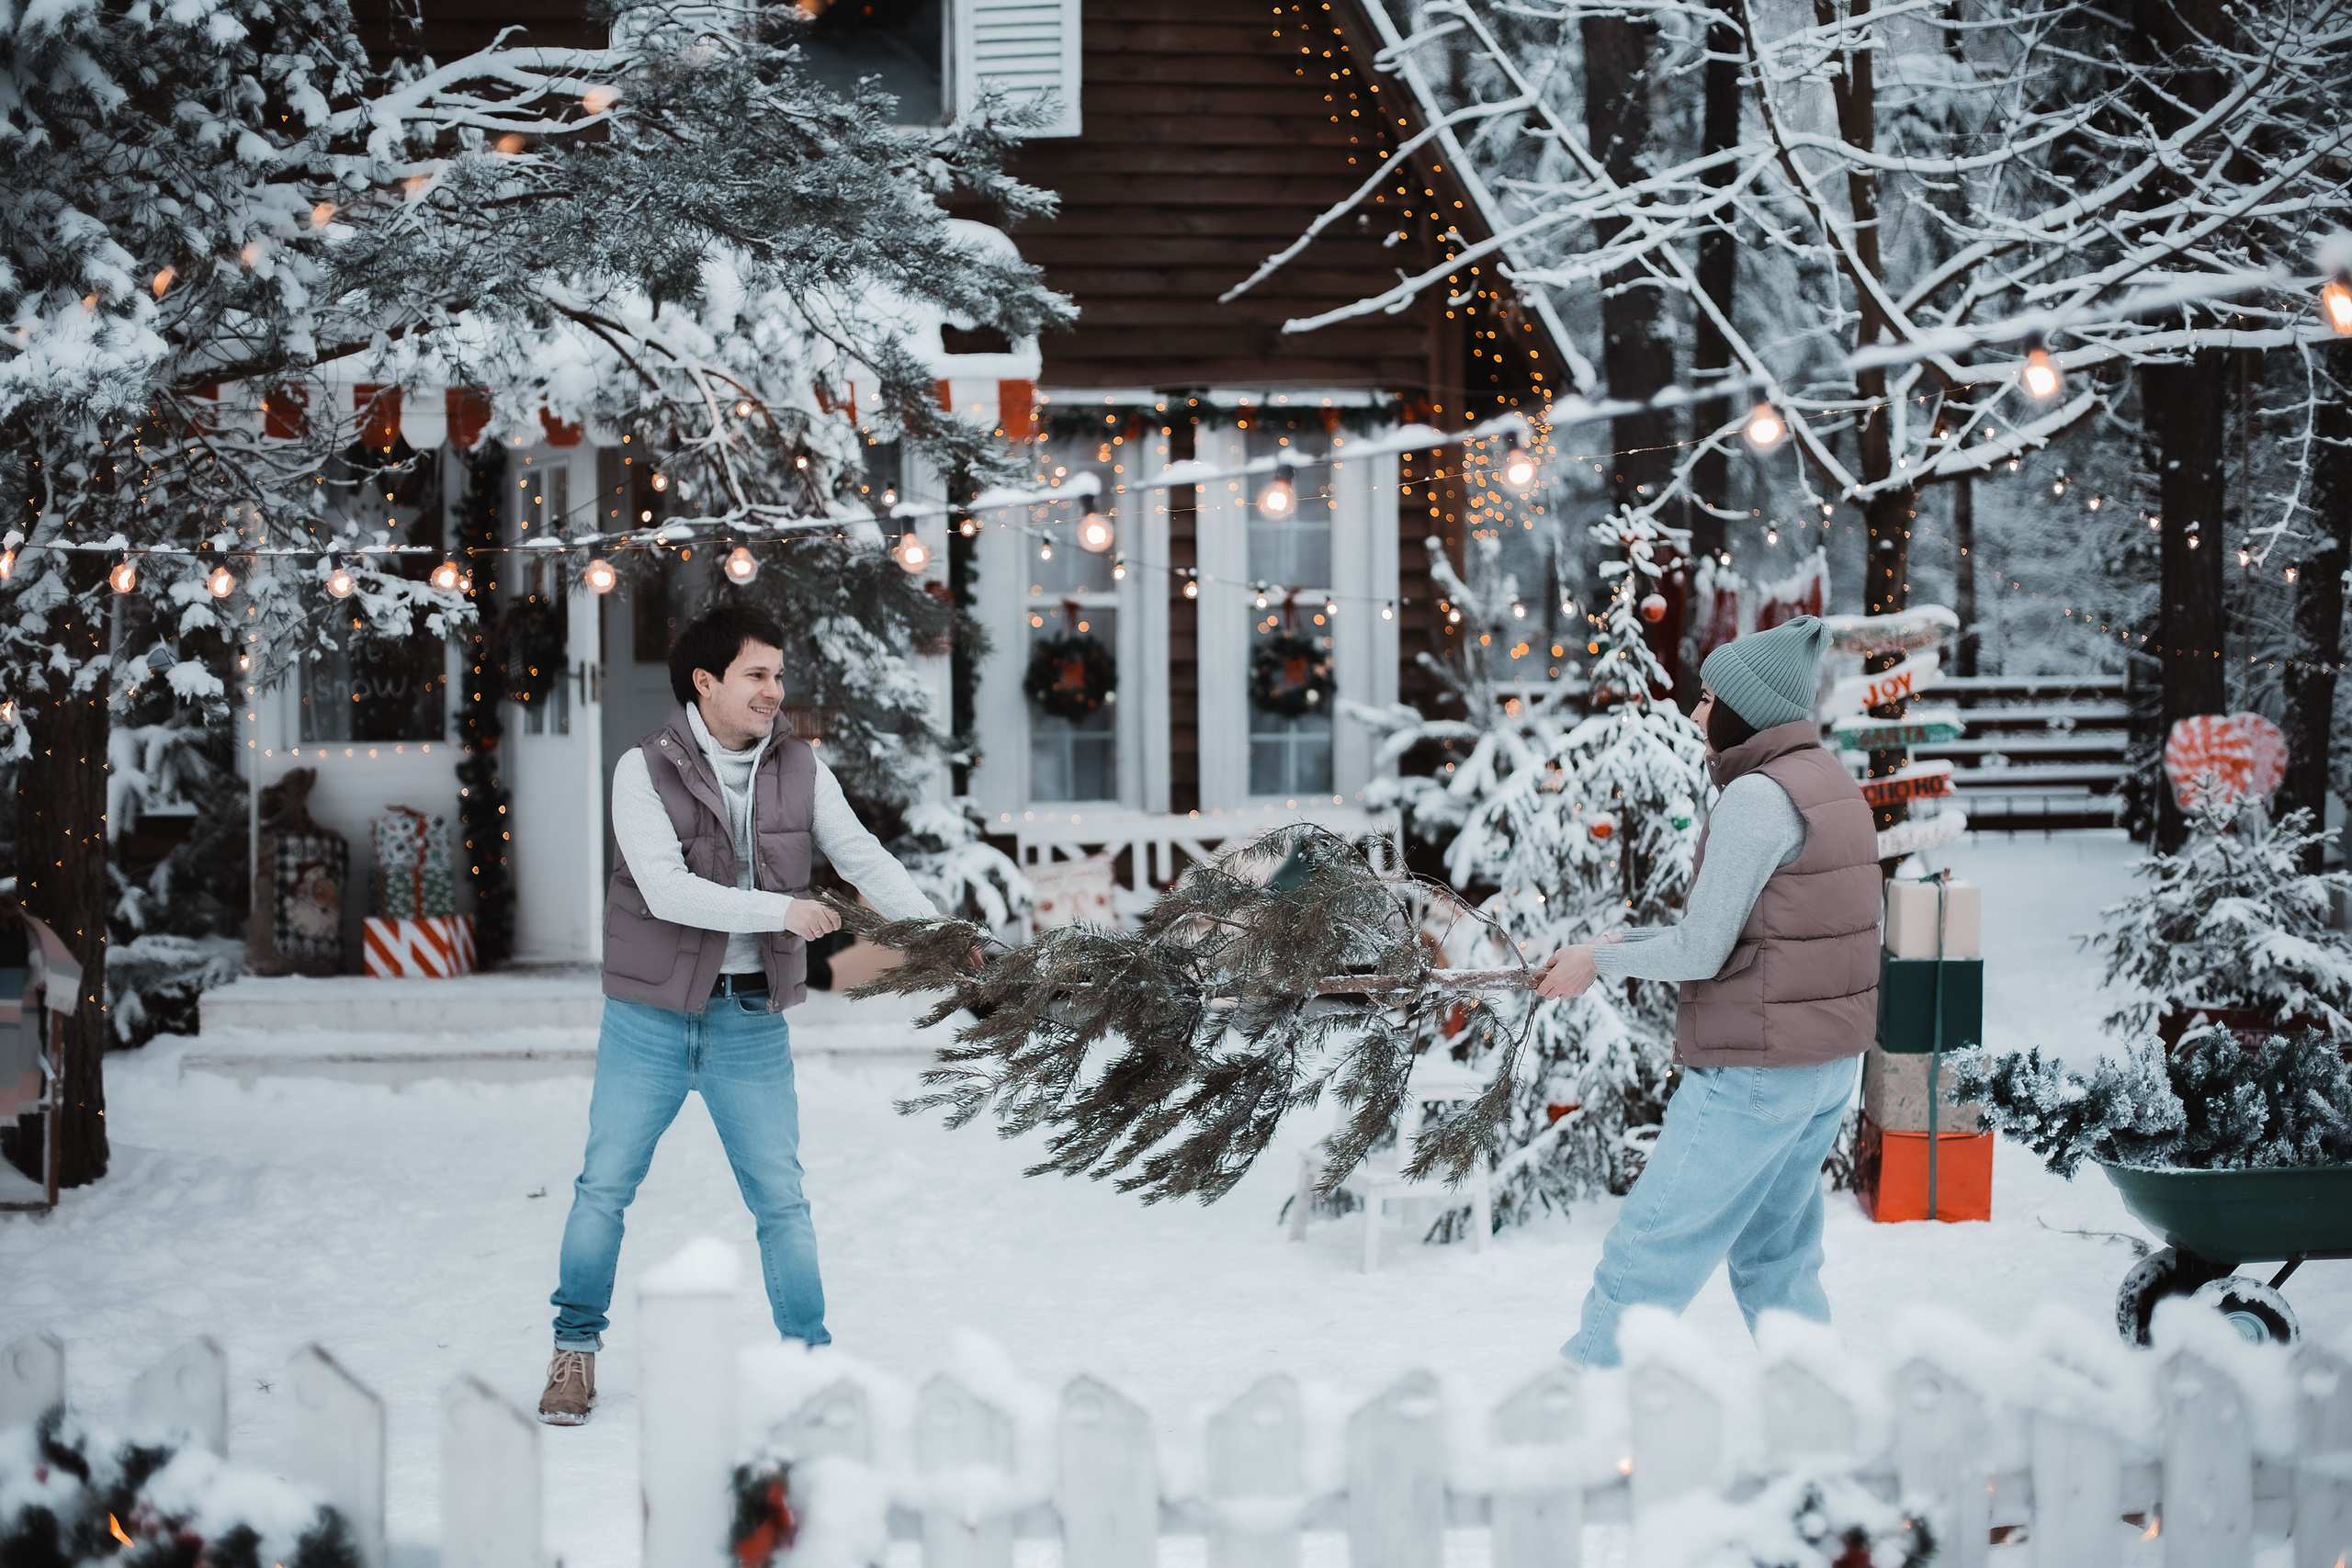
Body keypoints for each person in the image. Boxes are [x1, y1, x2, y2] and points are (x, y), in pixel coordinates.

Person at [537, 604, 940, 1426]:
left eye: (778, 675)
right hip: (648, 1019)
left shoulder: (799, 767)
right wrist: (782, 911)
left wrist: (945, 934)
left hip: (749, 1020)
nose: (773, 692)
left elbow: (862, 856)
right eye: (757, 675)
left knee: (781, 1202)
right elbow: (666, 890)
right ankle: (574, 1348)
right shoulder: (639, 769)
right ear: (706, 681)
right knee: (603, 1188)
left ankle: (810, 1366)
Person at [1536, 615, 1879, 1366]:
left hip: (1754, 1070)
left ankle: (1573, 1412)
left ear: (1745, 709)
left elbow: (1701, 948)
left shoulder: (1757, 797)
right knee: (1778, 1257)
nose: (1696, 714)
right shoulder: (1832, 785)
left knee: (1650, 1248)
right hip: (1822, 1067)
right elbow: (1768, 929)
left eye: (1708, 698)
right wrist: (1603, 947)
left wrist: (1599, 959)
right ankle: (1818, 1416)